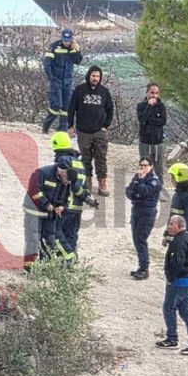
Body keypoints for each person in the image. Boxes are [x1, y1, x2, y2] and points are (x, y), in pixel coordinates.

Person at [156, 215, 188, 355]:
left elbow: (177, 263)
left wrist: (170, 278)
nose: (169, 226)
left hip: (180, 281)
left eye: (171, 224)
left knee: (169, 308)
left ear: (179, 226)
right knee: (185, 310)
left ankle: (172, 339)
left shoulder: (179, 242)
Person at [68, 65, 114, 196]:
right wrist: (70, 126)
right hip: (83, 130)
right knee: (85, 158)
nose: (95, 78)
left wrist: (106, 125)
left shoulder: (104, 92)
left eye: (98, 76)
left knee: (101, 158)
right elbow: (71, 108)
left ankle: (102, 183)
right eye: (93, 76)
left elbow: (110, 109)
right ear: (89, 76)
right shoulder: (79, 90)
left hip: (99, 131)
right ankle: (87, 182)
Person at [51, 131, 96, 260]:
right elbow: (85, 185)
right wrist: (86, 198)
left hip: (66, 205)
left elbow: (66, 182)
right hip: (77, 207)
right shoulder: (78, 162)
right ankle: (71, 261)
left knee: (56, 233)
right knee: (71, 235)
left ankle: (69, 259)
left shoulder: (62, 160)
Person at [22, 156, 73, 270]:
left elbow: (67, 197)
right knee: (33, 239)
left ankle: (46, 267)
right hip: (34, 212)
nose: (66, 181)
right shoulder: (41, 173)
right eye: (64, 174)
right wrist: (47, 204)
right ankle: (29, 268)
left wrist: (62, 207)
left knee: (49, 241)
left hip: (51, 215)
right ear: (60, 170)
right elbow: (34, 191)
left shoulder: (68, 179)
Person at [125, 156, 161, 280]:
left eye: (145, 165)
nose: (143, 168)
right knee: (136, 239)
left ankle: (144, 268)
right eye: (141, 165)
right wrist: (136, 194)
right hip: (136, 209)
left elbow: (145, 192)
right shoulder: (137, 176)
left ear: (151, 166)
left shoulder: (154, 180)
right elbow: (129, 191)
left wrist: (139, 184)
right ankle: (141, 266)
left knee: (141, 239)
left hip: (147, 212)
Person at [42, 29, 83, 134]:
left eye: (68, 40)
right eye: (64, 40)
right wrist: (51, 78)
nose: (66, 42)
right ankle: (46, 126)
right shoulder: (54, 47)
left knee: (66, 107)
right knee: (56, 105)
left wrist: (78, 51)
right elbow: (46, 64)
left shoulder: (73, 48)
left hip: (68, 82)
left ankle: (62, 129)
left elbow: (78, 61)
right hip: (56, 81)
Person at [136, 83, 168, 184]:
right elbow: (142, 120)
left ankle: (159, 187)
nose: (154, 95)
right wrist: (149, 107)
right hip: (145, 141)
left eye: (156, 93)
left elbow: (163, 121)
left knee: (159, 169)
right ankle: (143, 187)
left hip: (158, 142)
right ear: (147, 93)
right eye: (152, 93)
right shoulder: (141, 106)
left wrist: (151, 120)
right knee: (144, 167)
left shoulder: (161, 106)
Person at [163, 163, 188, 246]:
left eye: (173, 177)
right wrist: (167, 235)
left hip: (182, 238)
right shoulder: (178, 194)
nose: (171, 180)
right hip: (175, 235)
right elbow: (172, 217)